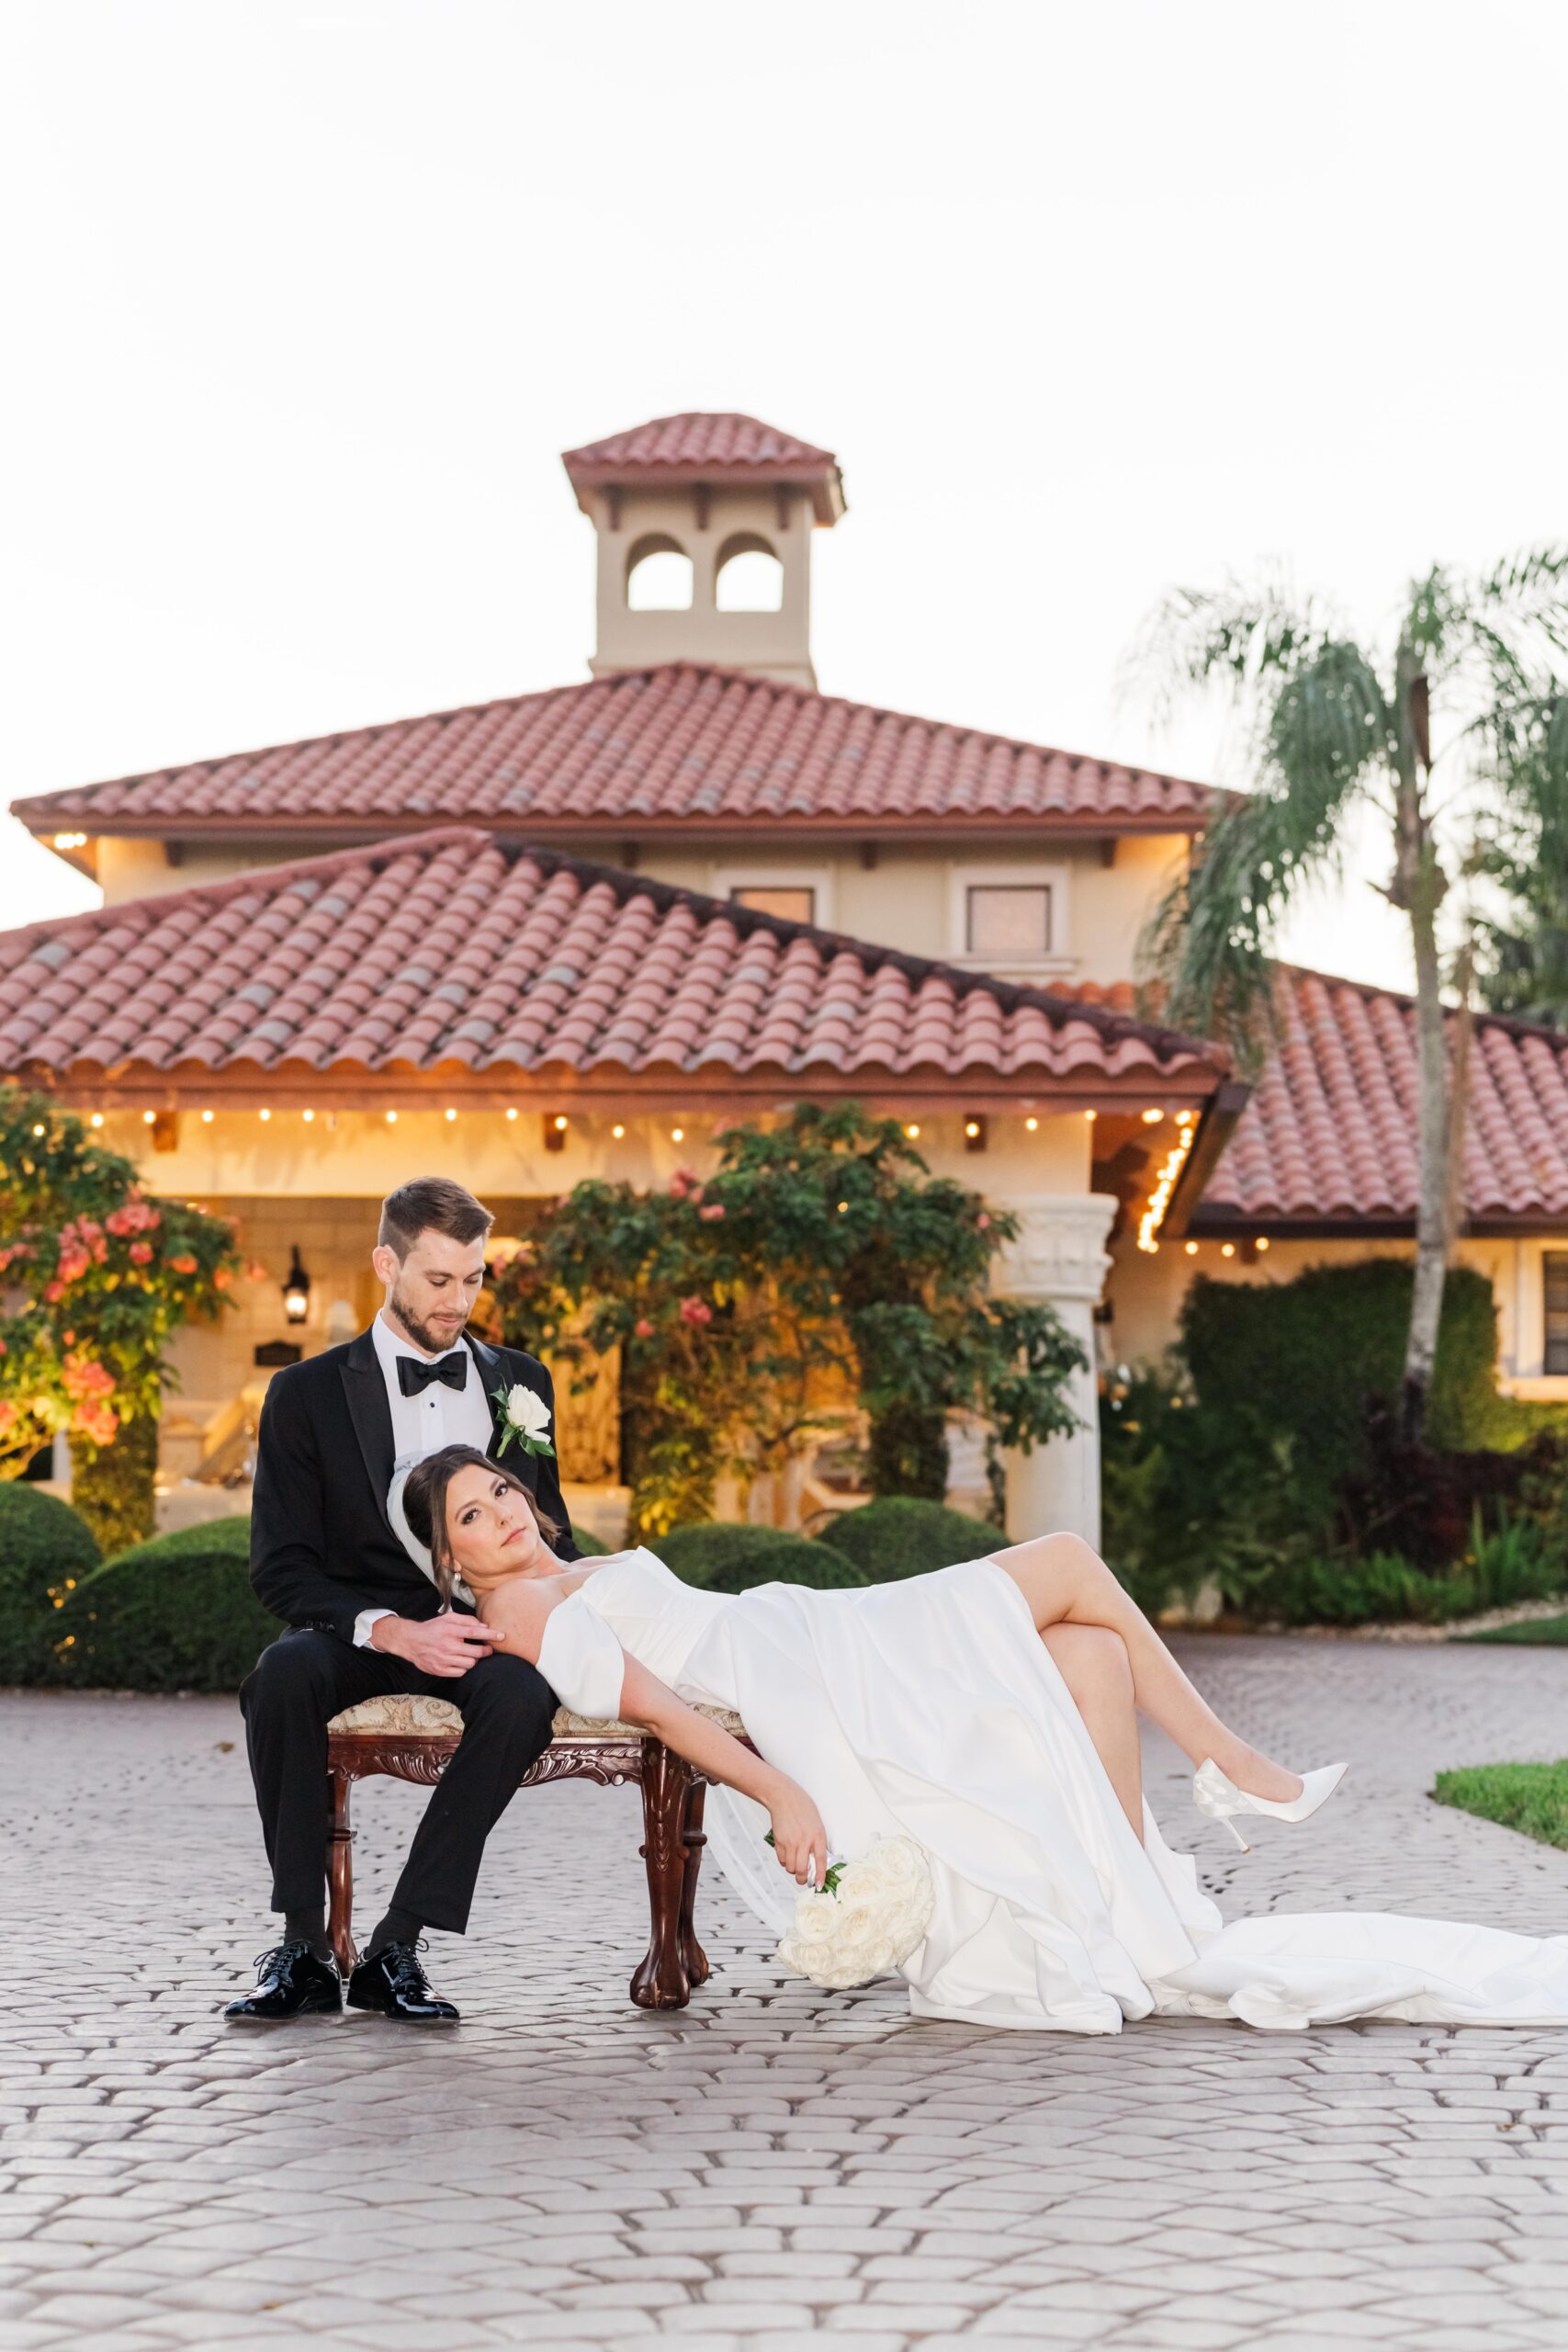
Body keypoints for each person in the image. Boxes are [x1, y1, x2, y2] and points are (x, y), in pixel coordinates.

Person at [400, 1442, 1568, 2034]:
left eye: (499, 1488)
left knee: (1092, 1655)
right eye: (472, 1516)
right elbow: (658, 1704)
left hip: (805, 1631)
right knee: (1065, 1560)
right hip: (801, 1665)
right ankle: (1232, 1766)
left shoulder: (560, 1568)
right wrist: (782, 1795)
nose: (502, 1511)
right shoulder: (526, 1609)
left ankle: (1130, 1889)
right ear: (453, 1559)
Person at [223, 1178, 578, 2027]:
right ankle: (304, 1947)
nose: (458, 1302)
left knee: (524, 1699)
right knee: (280, 1676)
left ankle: (396, 1946)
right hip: (358, 1625)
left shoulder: (520, 1384)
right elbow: (280, 1569)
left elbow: (547, 1531)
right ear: (387, 1263)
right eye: (437, 1281)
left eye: (473, 1280)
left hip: (484, 1628)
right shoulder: (303, 1394)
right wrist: (393, 1632)